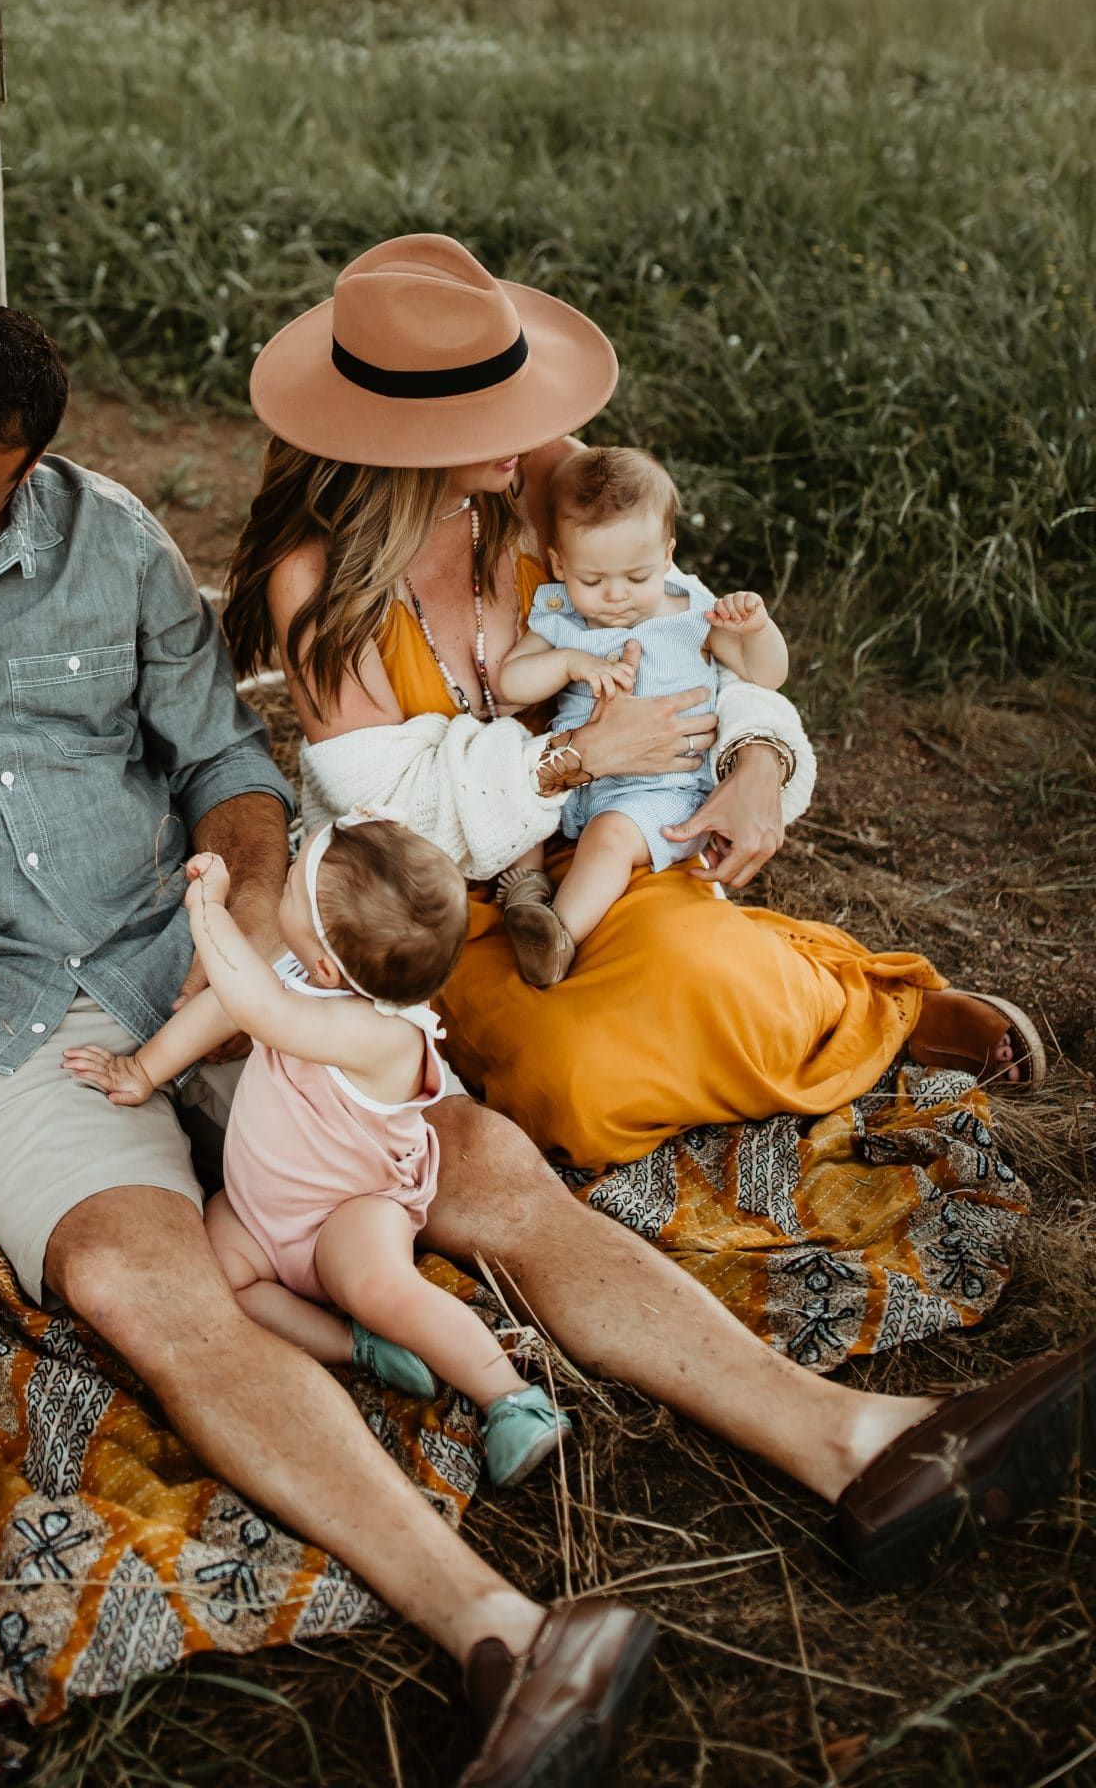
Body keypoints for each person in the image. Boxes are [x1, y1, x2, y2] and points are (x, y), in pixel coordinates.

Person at [220, 233, 1090, 1762]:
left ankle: (864, 995)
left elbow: (696, 636)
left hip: (611, 858)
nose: (526, 435)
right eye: (485, 414)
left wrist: (756, 757)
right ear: (397, 433)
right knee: (568, 1083)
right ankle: (830, 998)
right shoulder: (323, 582)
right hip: (450, 914)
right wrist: (566, 762)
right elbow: (401, 833)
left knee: (694, 964)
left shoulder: (548, 485)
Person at [65, 822, 571, 1489]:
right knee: (222, 1278)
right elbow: (227, 1007)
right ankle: (359, 1348)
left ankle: (508, 1397)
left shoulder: (381, 1035)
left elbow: (256, 1005)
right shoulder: (308, 980)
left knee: (375, 1286)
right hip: (259, 1210)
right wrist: (144, 1071)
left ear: (331, 964)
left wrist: (208, 911)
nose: (286, 881)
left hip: (351, 1210)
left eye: (295, 892)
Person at [490, 443, 794, 987]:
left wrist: (758, 630)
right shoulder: (563, 615)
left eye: (637, 577)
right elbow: (510, 683)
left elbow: (765, 674)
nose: (615, 597)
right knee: (515, 795)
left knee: (608, 837)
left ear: (668, 554)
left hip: (660, 792)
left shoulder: (692, 610)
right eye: (593, 580)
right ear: (560, 563)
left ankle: (556, 935)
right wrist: (568, 661)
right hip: (573, 773)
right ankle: (526, 889)